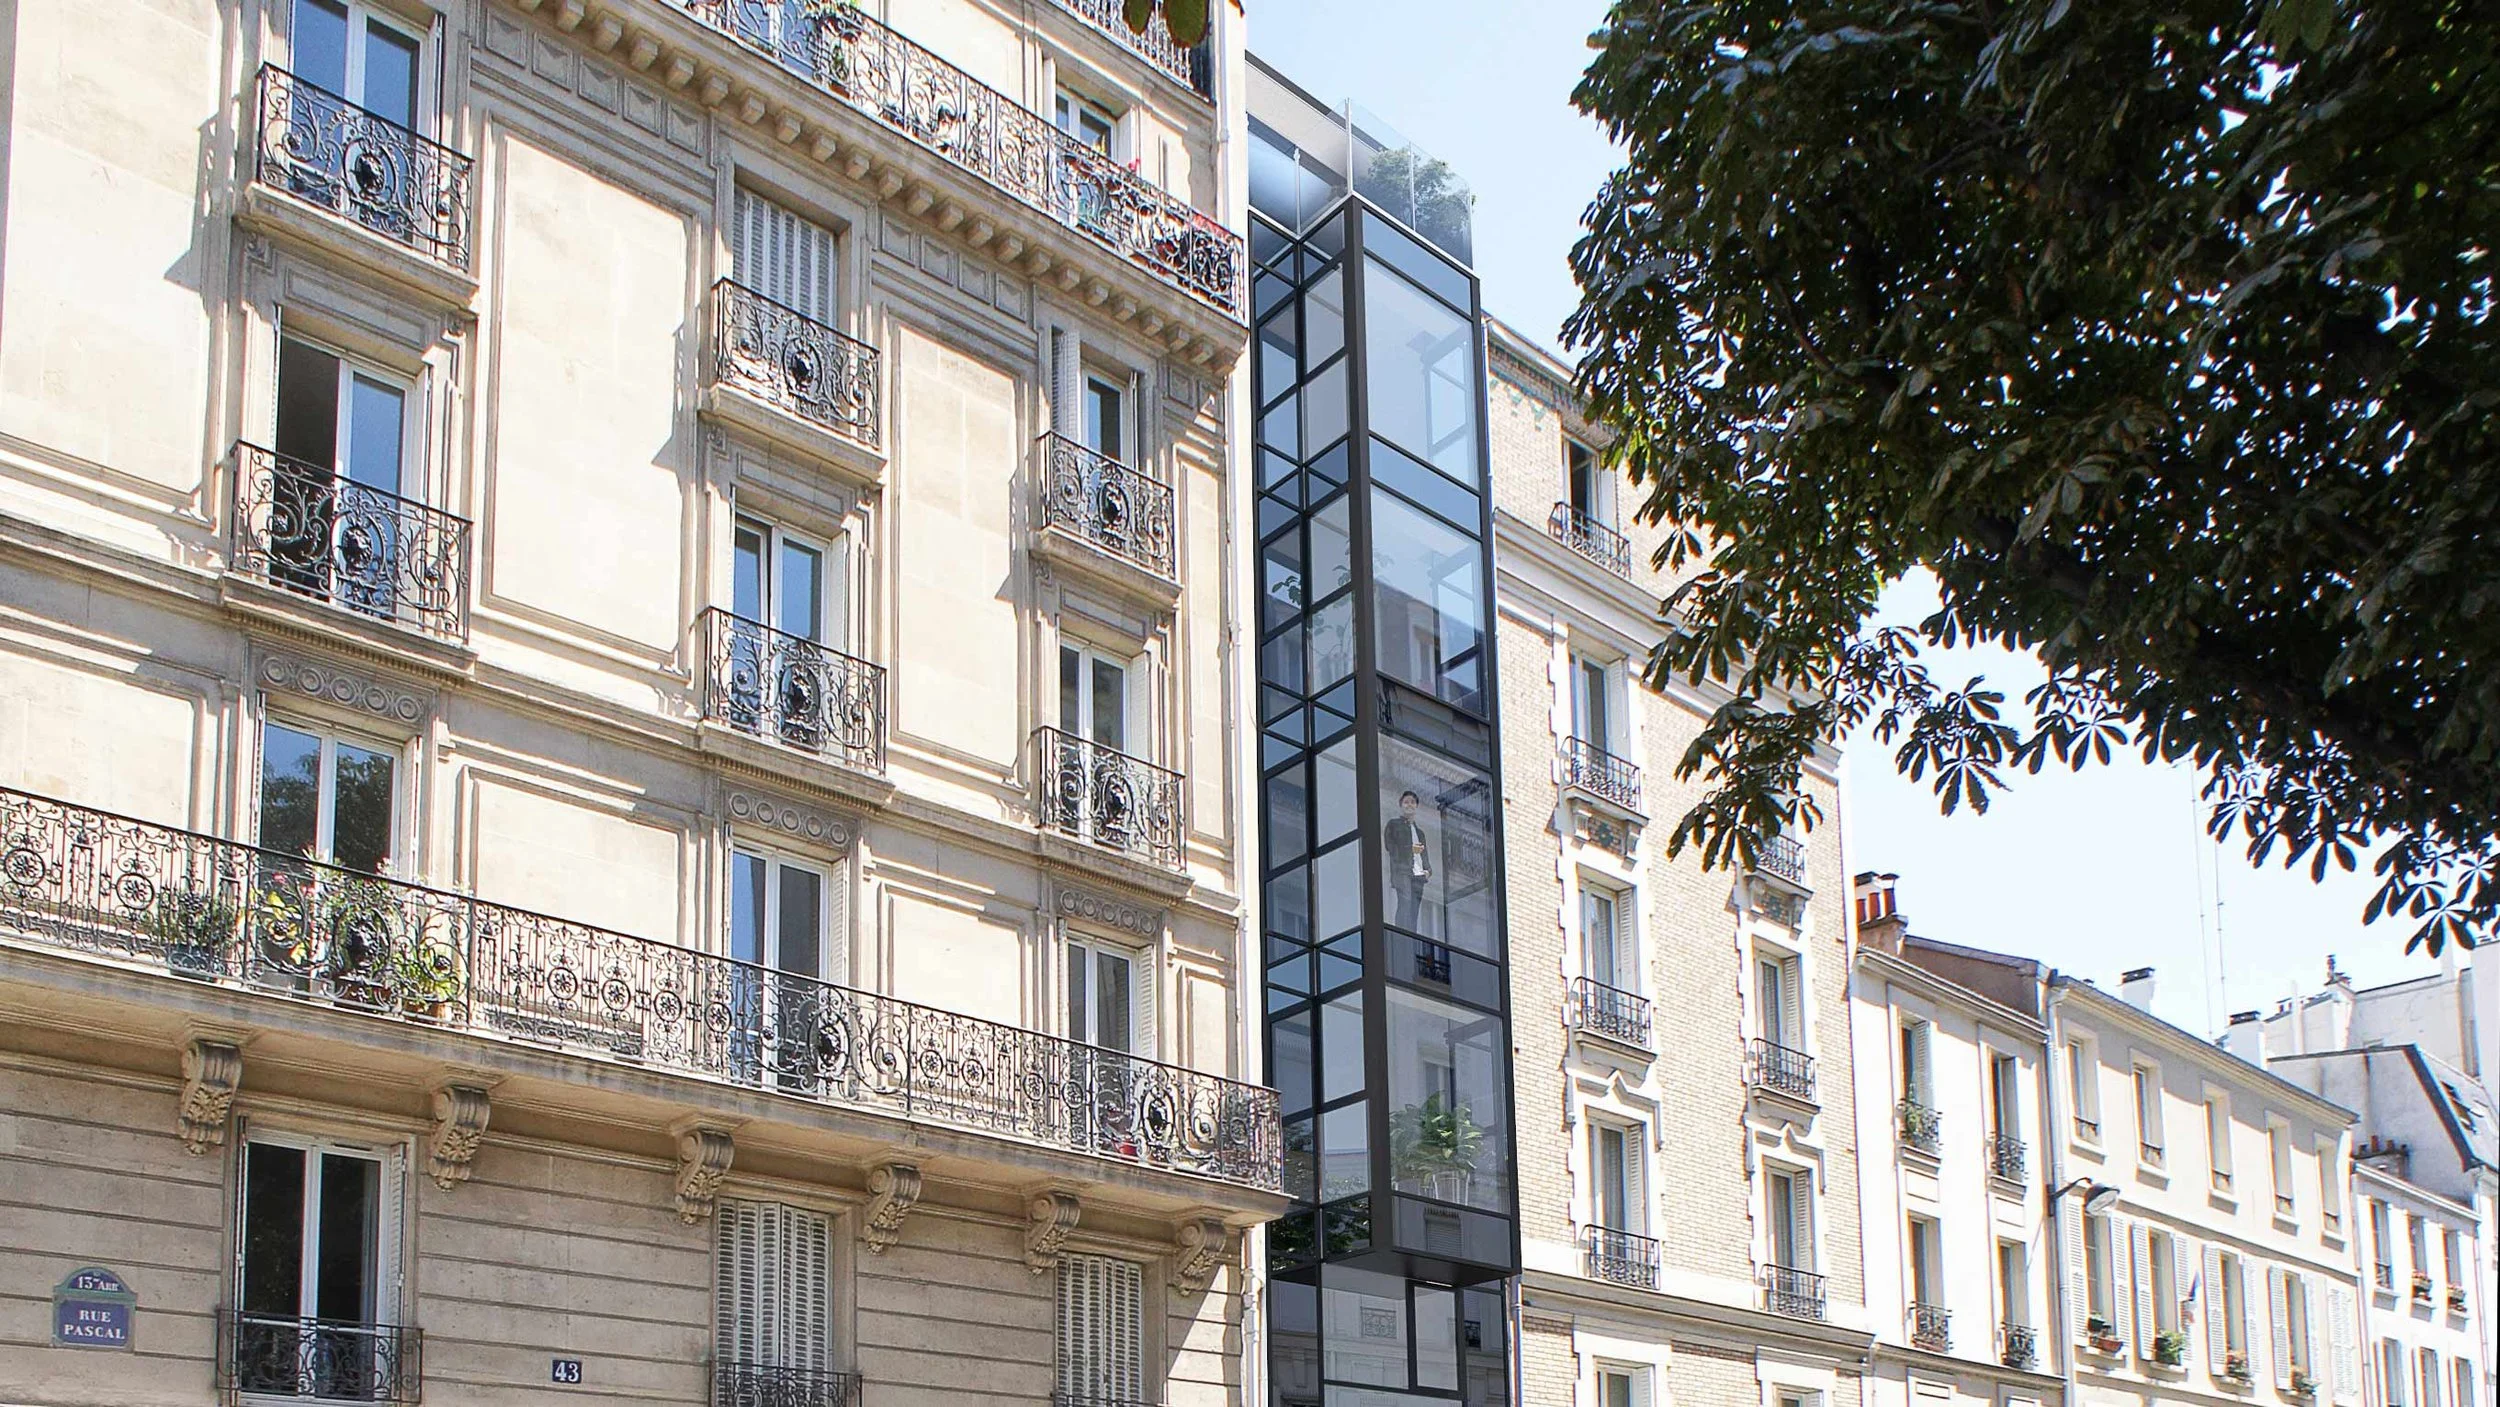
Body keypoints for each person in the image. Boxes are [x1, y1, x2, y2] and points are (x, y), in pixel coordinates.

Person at [1384, 790, 1431, 933]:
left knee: (1414, 908)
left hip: (1418, 874)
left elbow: (1424, 853)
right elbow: (1390, 847)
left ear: (1416, 806)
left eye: (1412, 802)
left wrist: (1428, 870)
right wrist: (1410, 850)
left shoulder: (1420, 832)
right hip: (1403, 871)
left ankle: (1412, 936)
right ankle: (1402, 934)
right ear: (1401, 805)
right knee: (1405, 902)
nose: (1409, 805)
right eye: (1406, 802)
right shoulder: (1394, 824)